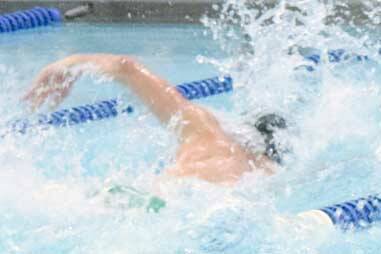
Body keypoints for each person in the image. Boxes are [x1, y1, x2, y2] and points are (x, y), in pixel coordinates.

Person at [23, 54, 286, 186]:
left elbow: (125, 66)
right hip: (184, 211)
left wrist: (69, 63)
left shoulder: (203, 132)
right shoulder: (266, 173)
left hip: (144, 199)